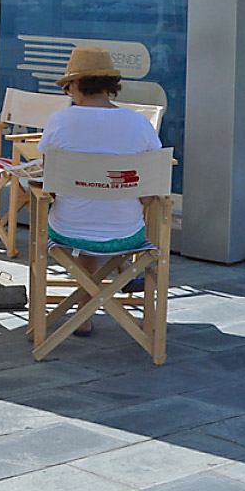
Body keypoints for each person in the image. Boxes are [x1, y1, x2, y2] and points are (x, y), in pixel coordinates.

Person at [38, 46, 165, 336]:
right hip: (126, 232)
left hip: (67, 230)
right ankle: (105, 294)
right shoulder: (139, 124)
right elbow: (149, 191)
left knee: (82, 210)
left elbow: (51, 185)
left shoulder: (60, 122)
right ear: (110, 86)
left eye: (67, 86)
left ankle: (83, 314)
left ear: (76, 85)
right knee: (106, 209)